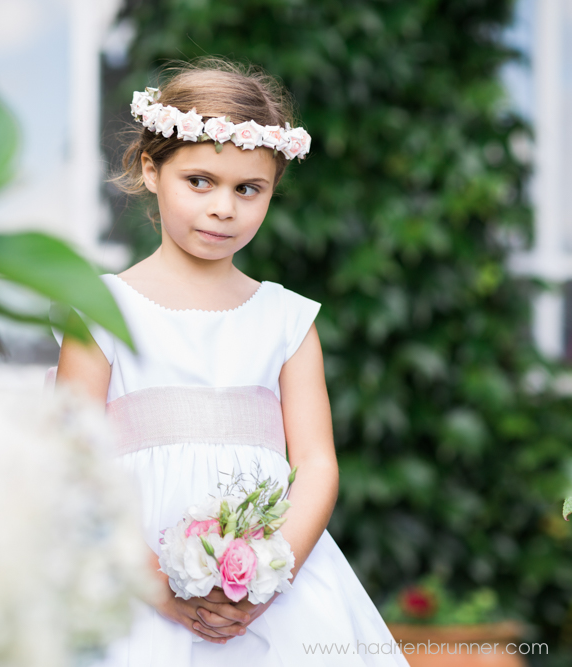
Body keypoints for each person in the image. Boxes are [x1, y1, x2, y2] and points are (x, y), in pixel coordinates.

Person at [55, 59, 410, 665]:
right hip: (133, 584)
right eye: (200, 181)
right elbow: (73, 464)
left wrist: (269, 577)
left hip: (275, 601)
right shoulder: (98, 309)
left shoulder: (286, 319)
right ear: (150, 168)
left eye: (248, 189)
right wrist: (157, 588)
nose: (225, 208)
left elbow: (317, 463)